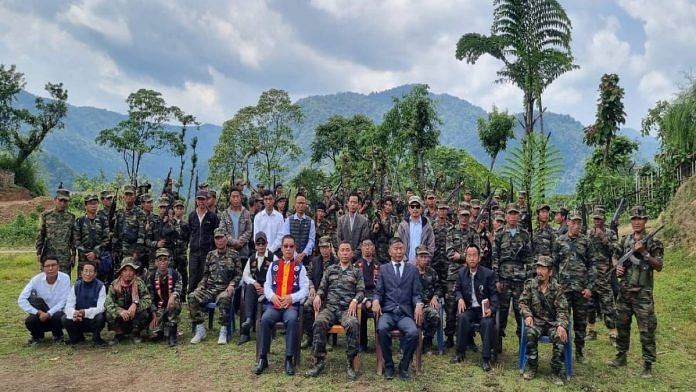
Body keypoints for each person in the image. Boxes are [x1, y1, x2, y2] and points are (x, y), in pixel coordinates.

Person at [608, 206, 663, 378]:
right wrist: (617, 266)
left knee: (646, 330)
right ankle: (621, 356)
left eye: (640, 218)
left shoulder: (654, 242)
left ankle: (647, 364)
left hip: (643, 295)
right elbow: (615, 255)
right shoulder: (625, 241)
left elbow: (659, 266)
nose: (637, 222)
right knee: (622, 326)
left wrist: (644, 253)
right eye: (634, 219)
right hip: (625, 293)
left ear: (645, 220)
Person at [306, 242, 365, 380]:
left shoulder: (356, 272)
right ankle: (319, 361)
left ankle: (350, 362)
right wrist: (318, 296)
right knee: (319, 322)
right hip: (330, 308)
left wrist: (355, 301)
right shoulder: (330, 269)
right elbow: (322, 287)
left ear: (351, 253)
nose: (344, 253)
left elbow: (361, 291)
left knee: (353, 324)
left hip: (347, 310)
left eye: (347, 250)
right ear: (338, 253)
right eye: (342, 250)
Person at [255, 235, 310, 376]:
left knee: (292, 320)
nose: (288, 249)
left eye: (291, 246)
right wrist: (272, 296)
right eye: (285, 246)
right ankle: (262, 357)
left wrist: (291, 298)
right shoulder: (273, 266)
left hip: (291, 307)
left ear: (294, 248)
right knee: (265, 319)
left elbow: (305, 289)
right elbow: (267, 285)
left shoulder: (300, 268)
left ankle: (289, 358)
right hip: (274, 306)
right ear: (281, 247)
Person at [372, 238, 423, 381]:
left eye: (401, 248)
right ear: (390, 251)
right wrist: (375, 300)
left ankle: (404, 366)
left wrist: (419, 304)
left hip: (405, 314)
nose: (399, 251)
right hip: (388, 312)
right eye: (396, 248)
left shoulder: (412, 270)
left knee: (413, 333)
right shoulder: (384, 269)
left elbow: (417, 294)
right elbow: (379, 291)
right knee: (381, 329)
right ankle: (388, 365)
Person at [519, 255, 569, 385]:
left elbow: (563, 310)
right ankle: (532, 366)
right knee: (530, 333)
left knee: (560, 336)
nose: (539, 271)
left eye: (543, 268)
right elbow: (523, 303)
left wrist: (561, 325)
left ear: (550, 272)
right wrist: (528, 315)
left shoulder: (557, 288)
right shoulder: (530, 285)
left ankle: (556, 371)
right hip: (537, 322)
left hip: (552, 324)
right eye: (538, 267)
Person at [552, 209, 594, 363]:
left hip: (581, 289)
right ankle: (562, 350)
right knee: (563, 320)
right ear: (567, 222)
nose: (576, 225)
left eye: (579, 223)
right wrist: (556, 284)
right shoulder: (559, 241)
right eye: (573, 222)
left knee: (580, 321)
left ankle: (580, 350)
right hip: (564, 289)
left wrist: (589, 287)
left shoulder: (586, 242)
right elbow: (554, 264)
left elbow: (592, 266)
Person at [188, 228, 241, 345]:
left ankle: (223, 330)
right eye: (217, 238)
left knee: (224, 298)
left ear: (226, 239)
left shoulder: (234, 255)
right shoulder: (210, 255)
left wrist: (232, 284)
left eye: (221, 237)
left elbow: (238, 275)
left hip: (225, 289)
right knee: (192, 296)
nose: (219, 241)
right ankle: (200, 328)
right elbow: (205, 275)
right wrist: (200, 286)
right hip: (210, 289)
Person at [492, 203, 533, 348]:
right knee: (501, 313)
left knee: (519, 311)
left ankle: (523, 345)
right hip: (503, 279)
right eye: (510, 214)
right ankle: (497, 345)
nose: (513, 217)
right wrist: (496, 279)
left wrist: (528, 279)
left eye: (515, 214)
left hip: (519, 280)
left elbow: (529, 258)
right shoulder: (500, 234)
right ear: (506, 216)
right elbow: (495, 258)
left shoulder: (524, 234)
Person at [451, 245, 498, 372]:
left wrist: (492, 309)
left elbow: (494, 295)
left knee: (487, 323)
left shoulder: (488, 274)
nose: (472, 258)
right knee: (462, 318)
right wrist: (459, 298)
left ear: (479, 258)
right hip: (470, 308)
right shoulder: (461, 273)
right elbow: (457, 290)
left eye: (474, 255)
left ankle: (486, 358)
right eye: (469, 255)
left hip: (483, 310)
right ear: (465, 258)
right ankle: (460, 352)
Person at [18, 255, 71, 345]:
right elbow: (21, 299)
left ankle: (58, 335)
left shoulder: (65, 278)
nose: (51, 268)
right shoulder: (36, 280)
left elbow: (64, 300)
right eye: (47, 266)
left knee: (58, 317)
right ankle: (37, 337)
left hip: (57, 314)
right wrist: (38, 312)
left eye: (53, 265)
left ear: (58, 266)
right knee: (30, 321)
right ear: (43, 268)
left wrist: (49, 313)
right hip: (41, 315)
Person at [586, 207, 619, 343]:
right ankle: (591, 331)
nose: (597, 221)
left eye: (599, 219)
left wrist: (604, 239)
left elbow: (617, 250)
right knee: (590, 305)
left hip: (605, 275)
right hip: (592, 276)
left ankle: (613, 334)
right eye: (595, 219)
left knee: (608, 306)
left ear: (604, 219)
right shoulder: (589, 233)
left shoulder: (610, 233)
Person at [239, 232, 277, 345]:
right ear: (255, 245)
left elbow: (277, 277)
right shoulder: (251, 258)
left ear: (266, 244)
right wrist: (254, 283)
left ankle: (254, 324)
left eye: (263, 243)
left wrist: (266, 289)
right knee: (249, 287)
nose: (260, 246)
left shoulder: (273, 258)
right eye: (258, 244)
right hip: (256, 289)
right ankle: (248, 321)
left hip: (269, 290)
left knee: (253, 289)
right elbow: (245, 275)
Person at [444, 209, 475, 347]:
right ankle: (450, 336)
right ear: (458, 217)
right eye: (462, 216)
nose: (464, 219)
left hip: (470, 274)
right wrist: (466, 257)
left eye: (466, 216)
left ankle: (469, 337)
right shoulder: (451, 231)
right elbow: (450, 253)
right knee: (451, 306)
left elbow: (477, 252)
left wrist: (461, 257)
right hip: (454, 274)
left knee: (470, 304)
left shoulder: (473, 233)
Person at [104, 257, 152, 345]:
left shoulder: (139, 283)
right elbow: (108, 302)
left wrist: (135, 305)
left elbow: (147, 299)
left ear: (134, 272)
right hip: (121, 317)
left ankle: (135, 333)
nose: (128, 273)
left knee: (145, 313)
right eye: (125, 270)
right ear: (121, 272)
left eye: (131, 270)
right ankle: (118, 334)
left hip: (134, 317)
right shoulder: (114, 284)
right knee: (108, 313)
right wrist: (120, 311)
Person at [301, 236, 336, 349]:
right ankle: (309, 336)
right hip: (316, 293)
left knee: (328, 308)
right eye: (322, 248)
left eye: (326, 247)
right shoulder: (315, 261)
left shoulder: (337, 262)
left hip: (332, 294)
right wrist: (311, 287)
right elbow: (308, 276)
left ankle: (327, 338)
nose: (324, 250)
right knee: (306, 306)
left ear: (330, 247)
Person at [62, 262, 106, 346]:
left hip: (93, 319)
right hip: (79, 319)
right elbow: (68, 305)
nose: (88, 274)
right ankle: (77, 338)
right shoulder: (76, 286)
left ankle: (96, 338)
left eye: (91, 271)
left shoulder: (101, 286)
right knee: (65, 318)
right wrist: (74, 313)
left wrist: (85, 312)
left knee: (100, 317)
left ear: (95, 273)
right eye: (85, 271)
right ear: (81, 273)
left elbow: (101, 307)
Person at [36, 188, 76, 276]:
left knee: (63, 282)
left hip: (64, 257)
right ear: (55, 200)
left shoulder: (71, 217)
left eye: (65, 201)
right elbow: (41, 235)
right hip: (49, 255)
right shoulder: (46, 216)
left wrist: (73, 254)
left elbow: (73, 238)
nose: (62, 204)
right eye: (60, 200)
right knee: (47, 281)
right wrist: (39, 252)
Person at [187, 190, 221, 294]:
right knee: (193, 276)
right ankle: (191, 299)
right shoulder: (192, 216)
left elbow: (216, 233)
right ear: (196, 200)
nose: (201, 202)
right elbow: (189, 232)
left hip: (207, 252)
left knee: (205, 276)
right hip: (194, 252)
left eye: (203, 199)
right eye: (199, 199)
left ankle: (203, 301)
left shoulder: (212, 216)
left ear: (207, 200)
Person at [148, 248, 183, 347]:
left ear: (168, 261)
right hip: (158, 307)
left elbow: (178, 289)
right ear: (156, 262)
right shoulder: (151, 277)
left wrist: (173, 296)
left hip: (171, 305)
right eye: (160, 259)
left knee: (174, 303)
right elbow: (149, 297)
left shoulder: (176, 274)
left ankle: (172, 335)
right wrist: (153, 314)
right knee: (153, 335)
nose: (162, 262)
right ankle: (162, 329)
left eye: (165, 259)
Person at [73, 193, 110, 278]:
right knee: (83, 283)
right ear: (85, 205)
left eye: (95, 203)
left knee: (99, 284)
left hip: (98, 259)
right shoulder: (80, 221)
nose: (93, 206)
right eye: (90, 203)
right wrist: (87, 253)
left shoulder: (103, 220)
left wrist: (95, 253)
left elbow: (106, 239)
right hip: (84, 260)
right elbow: (76, 240)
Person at [414, 245, 443, 355]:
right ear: (416, 258)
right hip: (413, 305)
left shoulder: (432, 272)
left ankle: (427, 342)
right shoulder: (411, 272)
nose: (424, 259)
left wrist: (435, 296)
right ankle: (412, 342)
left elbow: (439, 288)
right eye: (421, 256)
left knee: (435, 316)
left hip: (428, 305)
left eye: (426, 257)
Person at [355, 239, 380, 352]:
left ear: (373, 247)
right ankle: (362, 343)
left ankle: (379, 342)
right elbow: (354, 286)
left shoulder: (379, 265)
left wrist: (375, 299)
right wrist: (365, 300)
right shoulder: (356, 265)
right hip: (362, 294)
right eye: (365, 245)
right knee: (362, 310)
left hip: (376, 294)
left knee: (379, 309)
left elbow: (381, 286)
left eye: (370, 245)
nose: (367, 247)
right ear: (361, 247)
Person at [114, 185, 145, 272]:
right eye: (126, 194)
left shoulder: (140, 213)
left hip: (132, 251)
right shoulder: (119, 213)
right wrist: (114, 249)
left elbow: (141, 235)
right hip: (120, 251)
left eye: (131, 195)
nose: (128, 197)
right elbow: (115, 233)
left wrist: (137, 252)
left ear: (135, 196)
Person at [278, 193, 316, 265]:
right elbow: (286, 238)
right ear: (295, 204)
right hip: (290, 257)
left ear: (306, 205)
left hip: (306, 258)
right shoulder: (288, 220)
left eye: (303, 203)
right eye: (298, 203)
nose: (301, 205)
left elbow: (311, 240)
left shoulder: (311, 222)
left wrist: (303, 254)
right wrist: (295, 254)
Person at [397, 195, 435, 265]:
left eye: (417, 206)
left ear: (421, 209)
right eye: (412, 206)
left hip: (422, 266)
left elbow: (431, 246)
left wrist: (424, 261)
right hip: (405, 264)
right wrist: (404, 260)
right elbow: (397, 244)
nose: (415, 209)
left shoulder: (427, 226)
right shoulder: (402, 225)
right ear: (409, 208)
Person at [219, 188, 253, 261]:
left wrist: (240, 241)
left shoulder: (246, 213)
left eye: (237, 196)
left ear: (240, 198)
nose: (235, 199)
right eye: (233, 196)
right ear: (230, 198)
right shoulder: (225, 214)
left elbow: (249, 230)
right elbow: (222, 231)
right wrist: (233, 242)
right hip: (228, 252)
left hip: (243, 252)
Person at [337, 192, 370, 260]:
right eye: (351, 202)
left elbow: (364, 240)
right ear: (347, 203)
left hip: (359, 257)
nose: (353, 204)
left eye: (355, 202)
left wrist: (354, 254)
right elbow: (339, 238)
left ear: (358, 204)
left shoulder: (364, 221)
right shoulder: (341, 220)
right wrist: (345, 252)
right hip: (344, 256)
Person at [253, 190, 285, 255]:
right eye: (266, 199)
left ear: (274, 200)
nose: (268, 202)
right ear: (263, 201)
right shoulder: (258, 217)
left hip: (276, 252)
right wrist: (263, 248)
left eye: (270, 199)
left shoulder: (280, 217)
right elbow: (256, 236)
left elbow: (281, 236)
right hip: (261, 251)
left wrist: (271, 249)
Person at [371, 197, 399, 264]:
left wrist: (383, 222)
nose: (388, 207)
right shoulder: (376, 219)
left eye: (390, 205)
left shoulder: (394, 219)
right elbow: (371, 236)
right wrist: (375, 230)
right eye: (386, 204)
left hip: (388, 251)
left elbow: (391, 234)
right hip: (377, 252)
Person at [431, 204, 453, 288]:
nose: (442, 212)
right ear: (437, 211)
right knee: (434, 282)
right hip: (434, 258)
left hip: (446, 259)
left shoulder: (450, 226)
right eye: (440, 209)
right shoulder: (431, 225)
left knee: (446, 282)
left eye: (444, 210)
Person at [172, 199, 190, 297]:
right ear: (174, 209)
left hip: (182, 253)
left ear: (183, 210)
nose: (179, 210)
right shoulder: (170, 222)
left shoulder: (185, 224)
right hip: (172, 252)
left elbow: (188, 238)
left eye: (181, 208)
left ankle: (183, 295)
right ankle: (171, 293)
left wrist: (184, 246)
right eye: (177, 208)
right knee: (172, 273)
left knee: (183, 274)